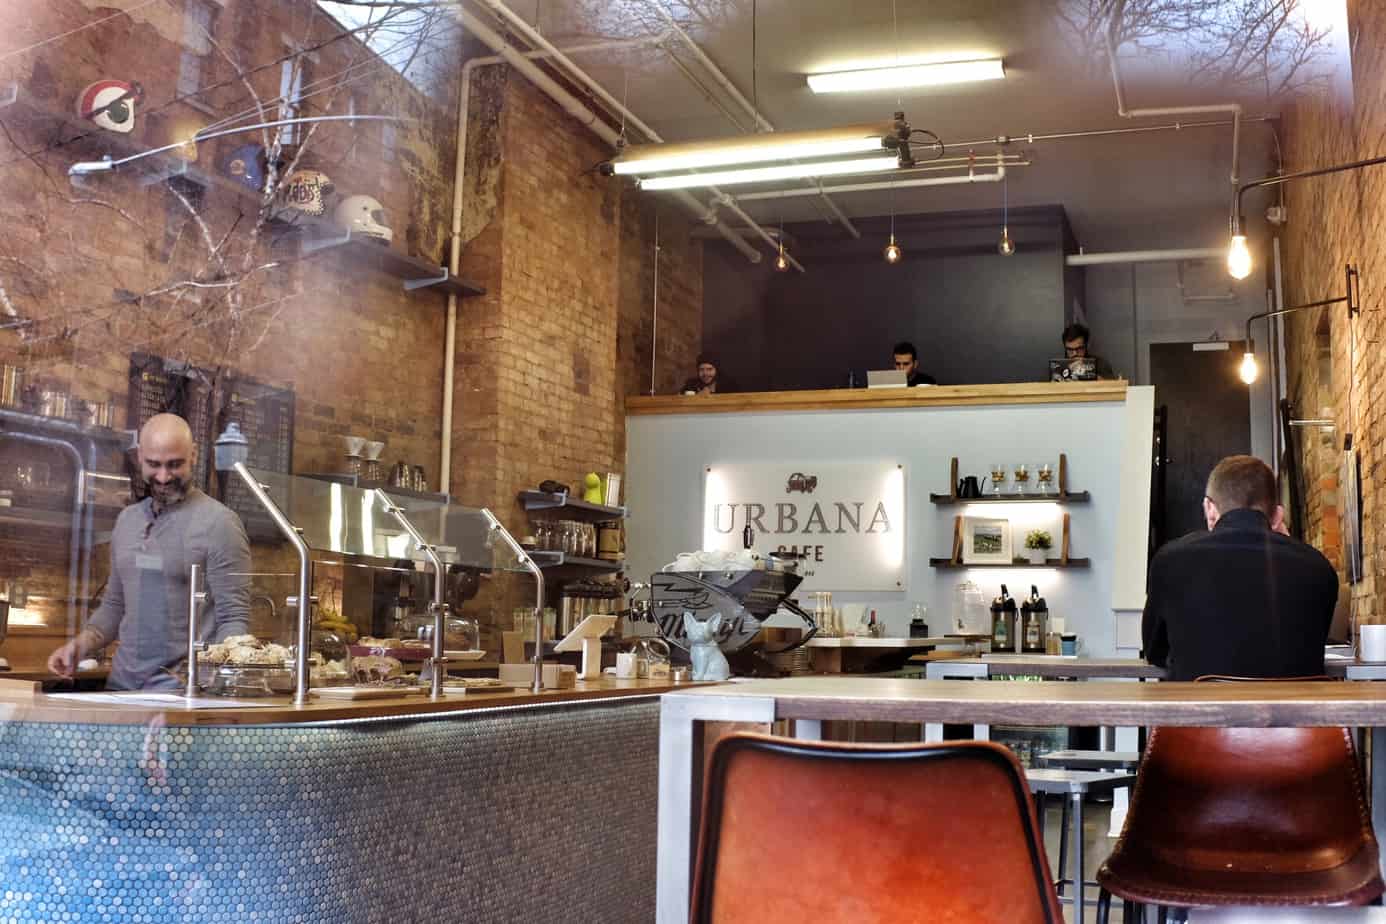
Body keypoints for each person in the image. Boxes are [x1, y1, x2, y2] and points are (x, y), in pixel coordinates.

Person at [47, 413, 252, 690]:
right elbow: (115, 605)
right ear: (139, 457)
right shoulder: (128, 521)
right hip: (121, 688)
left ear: (193, 455)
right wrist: (80, 645)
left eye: (175, 464)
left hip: (182, 695)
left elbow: (233, 620)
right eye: (154, 464)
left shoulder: (220, 524)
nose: (164, 476)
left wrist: (207, 689)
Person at [1142, 454, 1337, 681]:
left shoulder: (1169, 561)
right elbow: (1311, 648)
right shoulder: (1319, 568)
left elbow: (1155, 652)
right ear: (1277, 514)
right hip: (1295, 715)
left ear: (1209, 508)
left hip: (1198, 714)